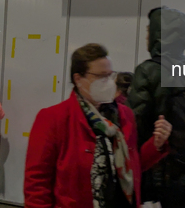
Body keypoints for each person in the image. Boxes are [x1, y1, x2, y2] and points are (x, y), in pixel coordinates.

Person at [24, 43, 172, 208]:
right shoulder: (54, 118)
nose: (108, 82)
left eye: (110, 75)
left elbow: (131, 167)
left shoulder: (124, 116)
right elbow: (37, 182)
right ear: (78, 79)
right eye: (101, 76)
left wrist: (156, 145)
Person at [127, 6, 185, 208]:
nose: (146, 36)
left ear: (159, 36)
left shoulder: (148, 70)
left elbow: (135, 123)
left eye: (149, 31)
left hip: (156, 169)